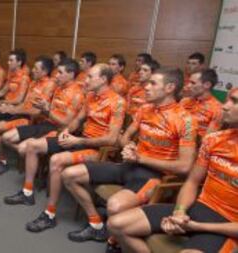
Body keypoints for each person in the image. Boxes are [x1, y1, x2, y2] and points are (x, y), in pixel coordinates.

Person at [62, 68, 197, 242]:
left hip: (154, 175)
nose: (146, 87)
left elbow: (185, 166)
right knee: (69, 175)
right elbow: (124, 137)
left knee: (114, 205)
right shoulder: (145, 109)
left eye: (153, 83)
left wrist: (141, 158)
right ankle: (96, 224)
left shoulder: (185, 120)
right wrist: (129, 146)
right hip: (130, 164)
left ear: (170, 87)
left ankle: (116, 240)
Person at [107, 88, 238, 253]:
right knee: (116, 224)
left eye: (235, 101)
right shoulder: (214, 140)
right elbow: (192, 182)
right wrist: (179, 212)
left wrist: (197, 226)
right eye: (227, 100)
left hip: (227, 225)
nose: (225, 106)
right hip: (198, 208)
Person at [9, 64, 126, 233]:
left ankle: (50, 214)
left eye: (90, 77)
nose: (85, 80)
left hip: (97, 149)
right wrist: (65, 133)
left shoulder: (118, 102)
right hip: (79, 139)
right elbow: (77, 121)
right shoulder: (91, 96)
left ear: (103, 79)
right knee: (33, 146)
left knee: (56, 160)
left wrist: (78, 141)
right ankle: (27, 193)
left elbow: (112, 139)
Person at [180, 69, 223, 140]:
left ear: (207, 85)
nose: (188, 85)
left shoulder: (218, 109)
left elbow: (207, 140)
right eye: (188, 82)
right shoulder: (185, 101)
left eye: (193, 83)